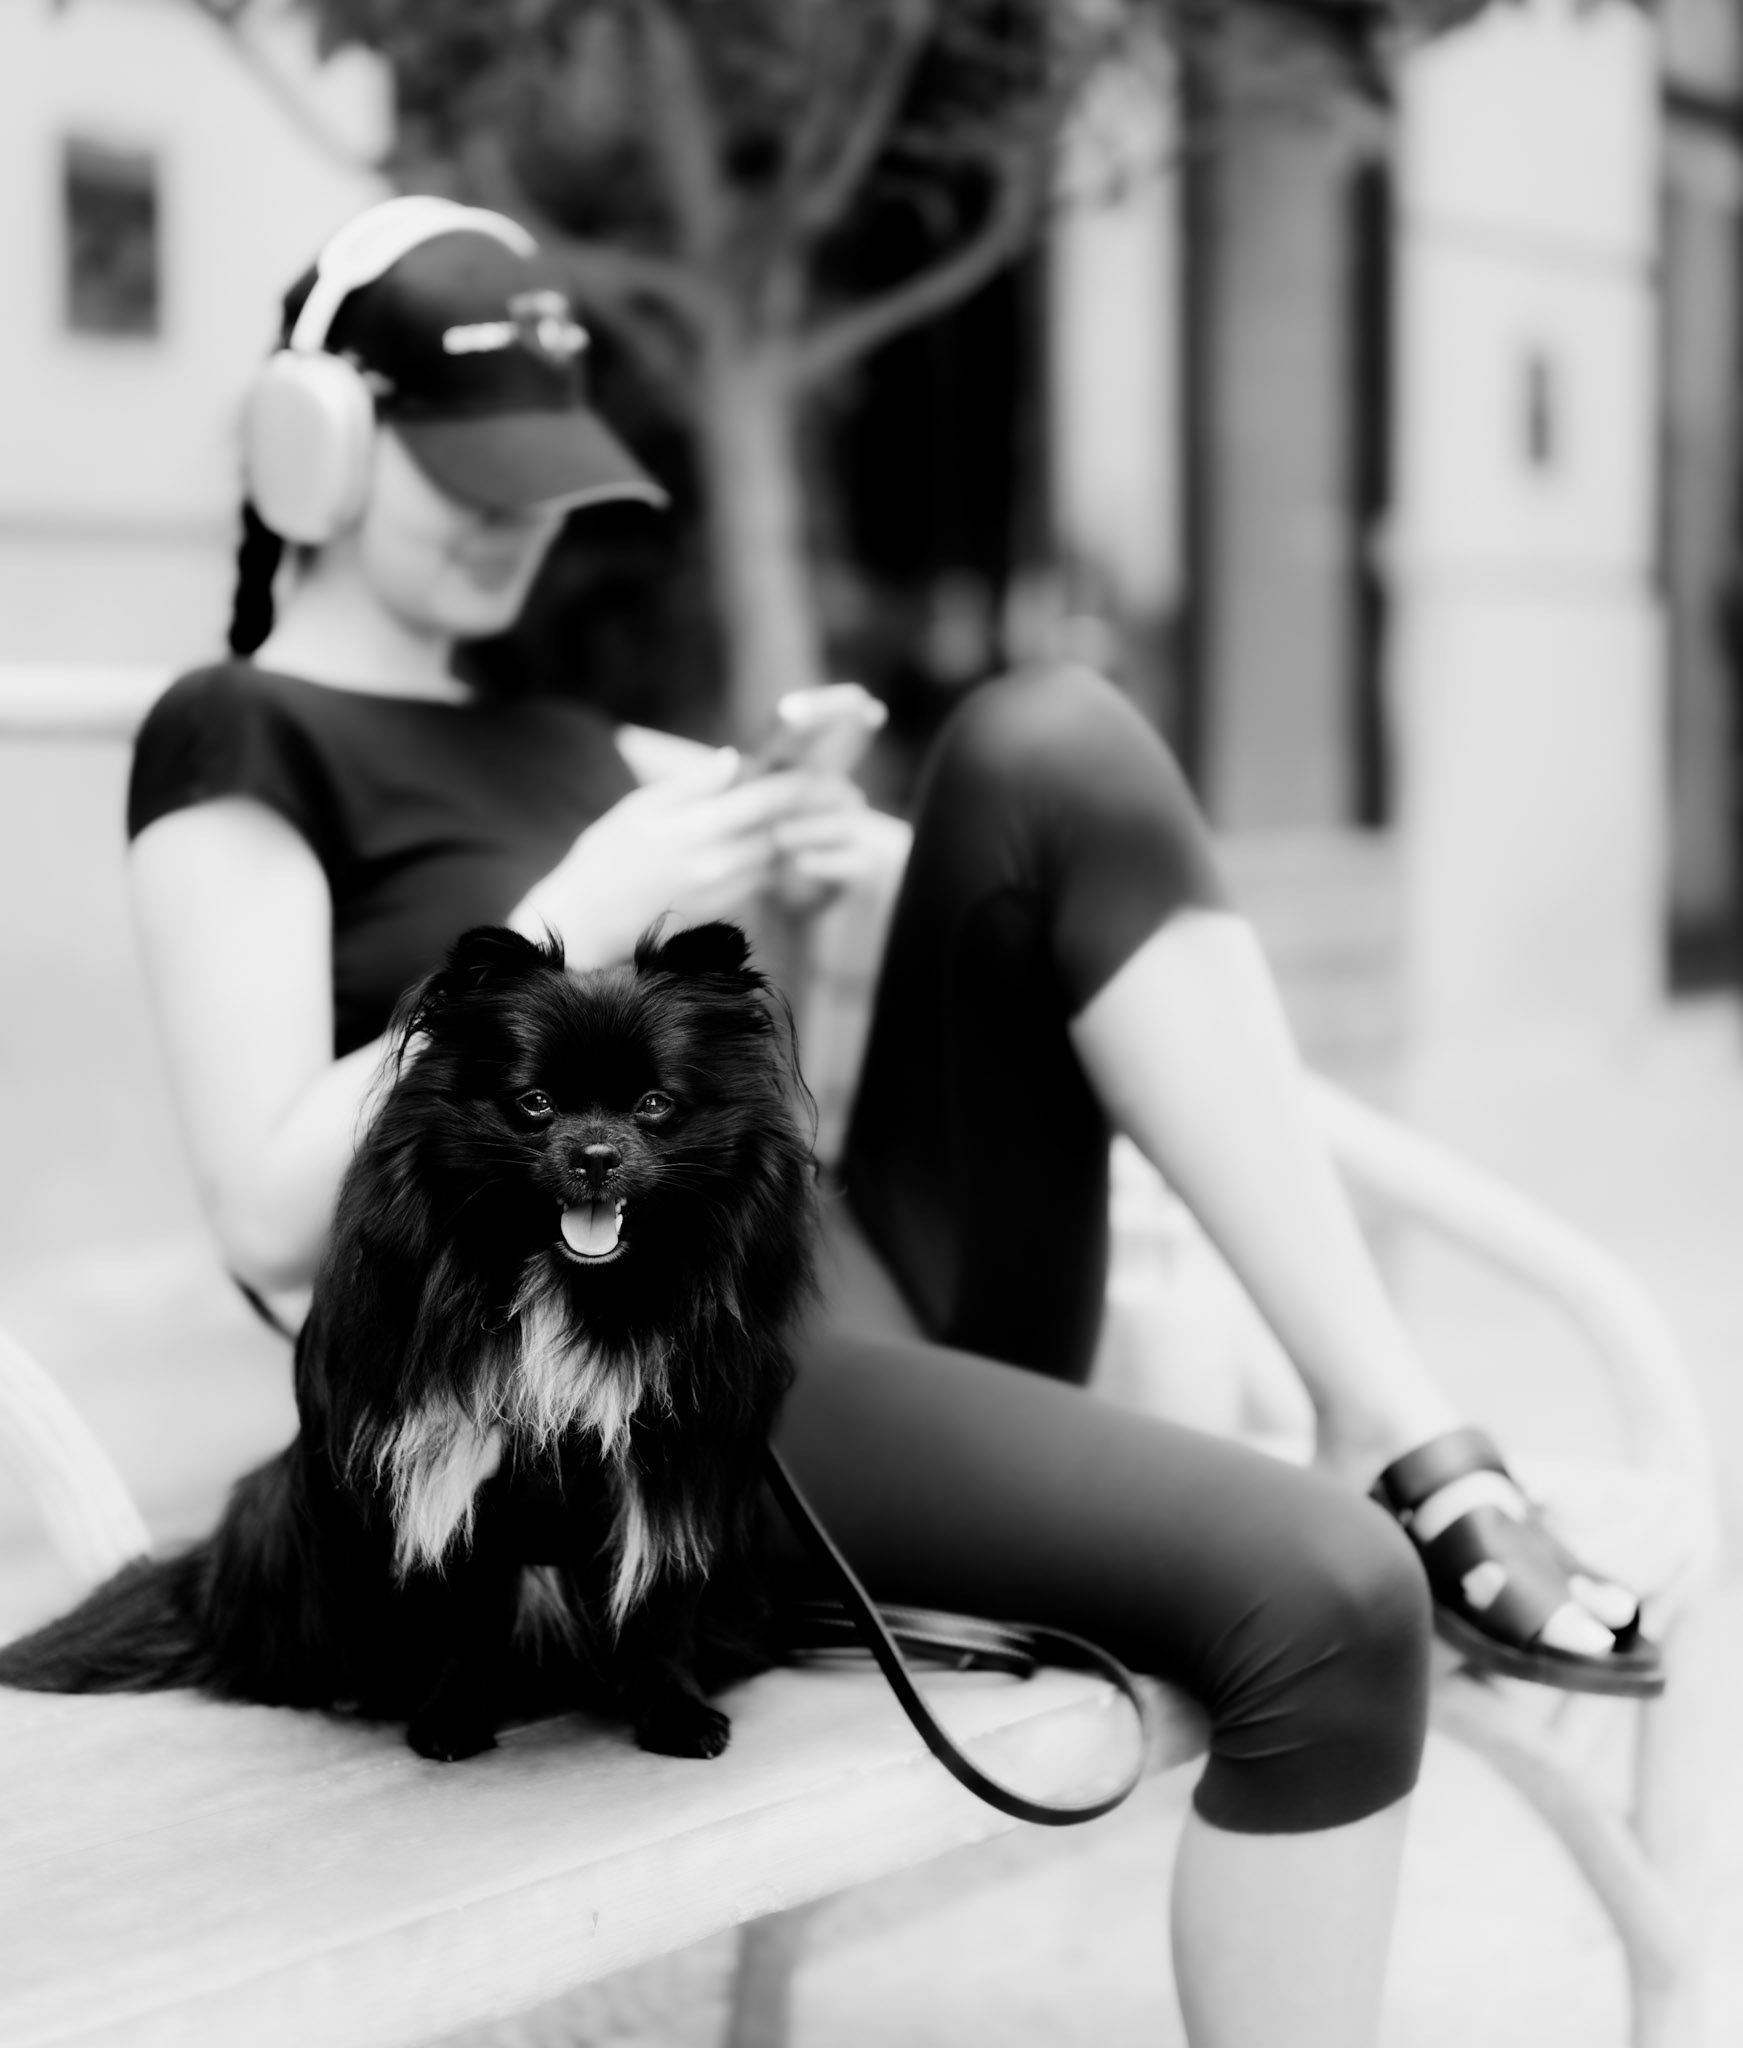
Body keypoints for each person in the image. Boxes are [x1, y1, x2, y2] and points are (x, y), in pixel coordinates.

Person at [125, 197, 1653, 2047]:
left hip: (863, 1307)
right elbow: (264, 1215)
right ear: (324, 442)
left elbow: (763, 1103)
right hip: (675, 1400)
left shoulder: (576, 734)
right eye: (471, 471)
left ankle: (1388, 1411)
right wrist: (584, 903)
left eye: (551, 474)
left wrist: (844, 879)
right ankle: (1382, 1505)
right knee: (1326, 1600)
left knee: (1049, 743)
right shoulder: (239, 732)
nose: (525, 518)